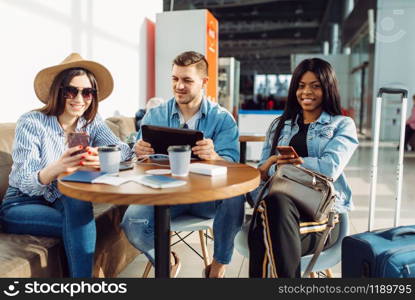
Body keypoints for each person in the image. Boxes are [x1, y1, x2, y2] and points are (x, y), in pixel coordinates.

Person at [0, 53, 132, 277]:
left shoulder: (90, 123)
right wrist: (57, 168)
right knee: (81, 224)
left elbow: (124, 150)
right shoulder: (31, 122)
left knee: (78, 203)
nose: (80, 99)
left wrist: (102, 155)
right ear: (58, 92)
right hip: (21, 203)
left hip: (64, 198)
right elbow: (24, 180)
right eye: (72, 91)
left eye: (87, 92)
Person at [121, 51, 243, 278]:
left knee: (235, 196)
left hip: (206, 199)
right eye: (175, 79)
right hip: (165, 197)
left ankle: (217, 269)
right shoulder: (154, 115)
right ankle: (166, 261)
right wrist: (139, 152)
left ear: (204, 82)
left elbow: (234, 167)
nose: (179, 86)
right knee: (132, 222)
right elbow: (138, 163)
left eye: (187, 80)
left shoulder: (223, 119)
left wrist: (215, 155)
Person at [248, 58, 359, 278]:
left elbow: (329, 168)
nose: (306, 91)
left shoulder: (341, 125)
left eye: (315, 86)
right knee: (273, 206)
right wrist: (271, 165)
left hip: (322, 218)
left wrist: (290, 164)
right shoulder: (279, 125)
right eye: (301, 85)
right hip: (279, 212)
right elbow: (262, 171)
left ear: (327, 88)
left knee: (264, 221)